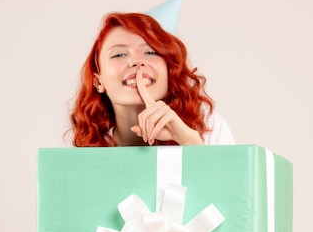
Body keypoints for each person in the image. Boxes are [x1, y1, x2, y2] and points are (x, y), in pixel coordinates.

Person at [69, 12, 234, 147]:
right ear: (99, 82)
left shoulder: (211, 128)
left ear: (169, 72)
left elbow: (229, 188)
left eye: (150, 52)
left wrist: (189, 142)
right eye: (119, 54)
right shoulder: (89, 151)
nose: (136, 61)